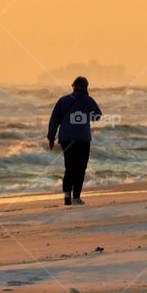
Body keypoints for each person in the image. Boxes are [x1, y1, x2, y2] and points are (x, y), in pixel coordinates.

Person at [47, 76, 102, 206]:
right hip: (82, 138)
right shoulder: (88, 100)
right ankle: (76, 197)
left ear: (73, 86)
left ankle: (67, 194)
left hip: (66, 138)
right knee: (81, 167)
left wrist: (51, 137)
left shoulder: (63, 100)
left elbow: (54, 120)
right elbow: (97, 116)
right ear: (86, 87)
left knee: (69, 167)